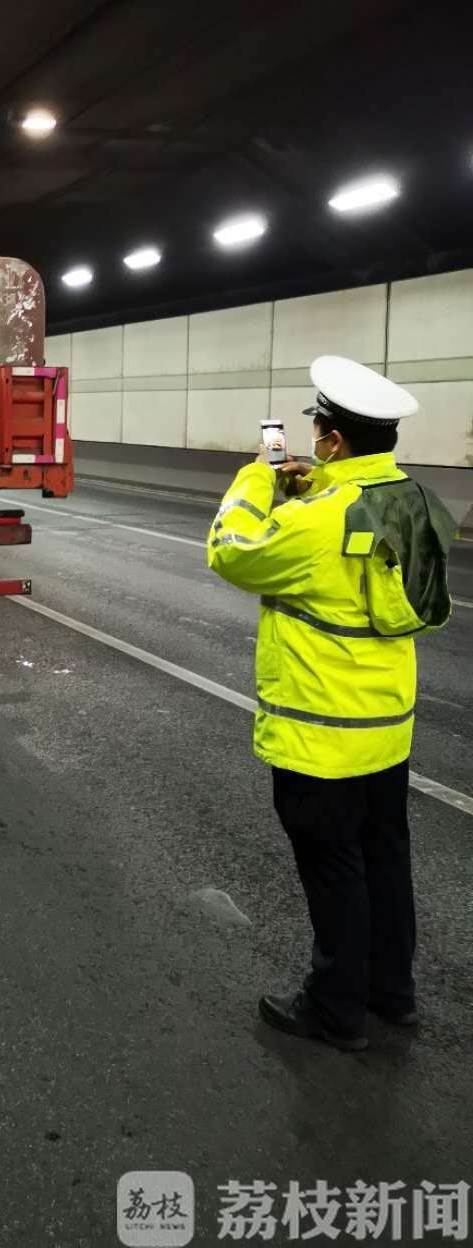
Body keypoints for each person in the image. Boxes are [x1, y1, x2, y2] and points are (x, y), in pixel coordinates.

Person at [208, 355, 456, 1052]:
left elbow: (233, 552)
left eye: (318, 427)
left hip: (321, 733)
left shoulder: (319, 518)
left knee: (333, 868)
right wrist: (320, 486)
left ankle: (335, 1010)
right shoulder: (412, 499)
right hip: (385, 730)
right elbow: (355, 519)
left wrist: (258, 474)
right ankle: (391, 996)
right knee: (384, 857)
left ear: (334, 439)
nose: (311, 436)